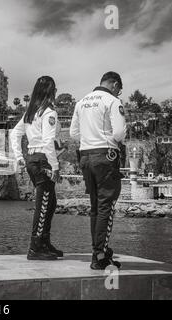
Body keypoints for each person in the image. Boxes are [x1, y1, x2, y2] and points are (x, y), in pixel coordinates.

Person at [70, 71, 127, 270]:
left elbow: (73, 133)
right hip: (105, 156)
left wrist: (90, 139)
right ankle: (100, 256)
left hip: (85, 156)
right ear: (114, 84)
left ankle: (98, 251)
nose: (119, 92)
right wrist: (109, 139)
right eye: (119, 88)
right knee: (106, 206)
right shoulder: (111, 100)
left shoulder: (81, 102)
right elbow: (119, 133)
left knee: (96, 206)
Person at [10, 76, 63, 260]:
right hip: (43, 160)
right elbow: (48, 141)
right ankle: (35, 247)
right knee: (44, 204)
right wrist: (55, 167)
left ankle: (44, 243)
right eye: (54, 89)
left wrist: (19, 156)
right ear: (51, 91)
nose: (56, 92)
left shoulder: (31, 113)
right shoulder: (49, 112)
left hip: (33, 159)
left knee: (50, 202)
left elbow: (14, 134)